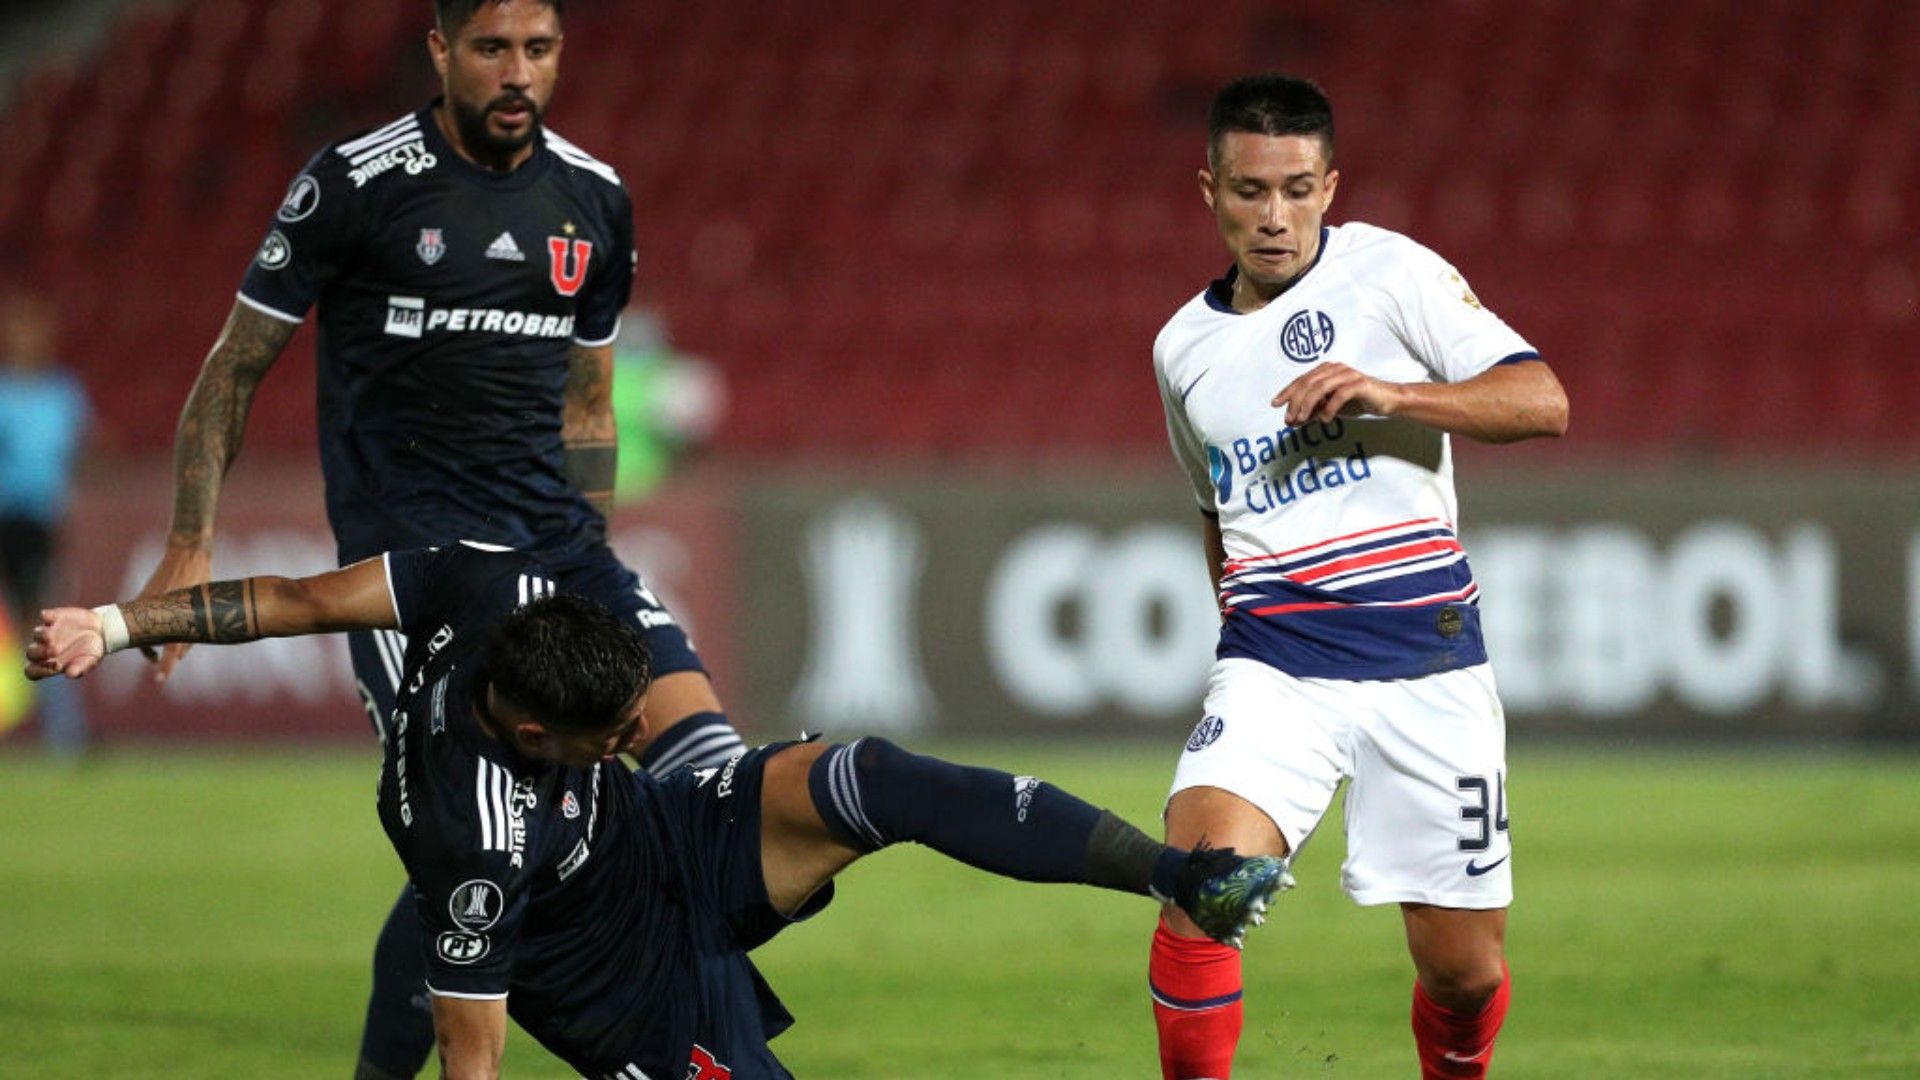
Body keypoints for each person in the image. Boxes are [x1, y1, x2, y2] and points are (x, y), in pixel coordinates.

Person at [27, 542, 1289, 1078]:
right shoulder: (480, 846)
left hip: (669, 831)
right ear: (537, 739)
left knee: (870, 777)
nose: (628, 729)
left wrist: (117, 622)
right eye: (605, 735)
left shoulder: (485, 588)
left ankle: (1179, 875)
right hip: (618, 978)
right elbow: (476, 1052)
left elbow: (298, 599)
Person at [133, 2, 747, 1075]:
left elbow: (590, 408)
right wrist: (193, 538)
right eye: (493, 49)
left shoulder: (593, 199)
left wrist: (584, 572)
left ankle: (709, 1043)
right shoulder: (356, 184)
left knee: (716, 783)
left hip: (557, 548)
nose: (518, 73)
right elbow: (235, 365)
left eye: (540, 50)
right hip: (416, 570)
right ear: (442, 52)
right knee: (473, 845)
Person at [1146, 75, 1569, 1079]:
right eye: (1249, 190)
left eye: (1296, 188)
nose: (1274, 216)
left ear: (1331, 186)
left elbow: (1543, 400)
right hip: (1275, 666)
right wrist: (1243, 640)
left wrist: (1394, 393)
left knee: (1463, 973)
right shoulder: (1181, 349)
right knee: (1201, 889)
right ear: (1207, 189)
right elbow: (1213, 506)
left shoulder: (1394, 276)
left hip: (1428, 666)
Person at [0, 291, 91, 755]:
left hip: (36, 526)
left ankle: (65, 736)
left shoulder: (63, 395)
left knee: (46, 627)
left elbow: (76, 461)